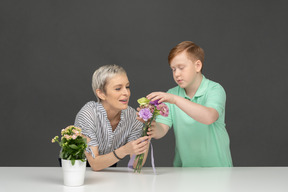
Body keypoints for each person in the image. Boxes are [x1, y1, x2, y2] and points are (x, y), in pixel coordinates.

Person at [146, 41, 233, 167]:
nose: (176, 74)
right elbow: (161, 130)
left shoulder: (215, 89)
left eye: (181, 68)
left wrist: (175, 100)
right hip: (184, 171)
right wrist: (150, 126)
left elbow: (209, 117)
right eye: (173, 69)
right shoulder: (172, 94)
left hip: (218, 170)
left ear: (197, 66)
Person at [74, 64, 149, 171]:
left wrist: (147, 130)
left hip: (107, 168)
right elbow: (94, 164)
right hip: (76, 169)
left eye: (127, 87)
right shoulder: (88, 114)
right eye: (118, 88)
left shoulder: (133, 116)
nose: (126, 93)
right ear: (101, 93)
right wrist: (124, 150)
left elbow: (136, 164)